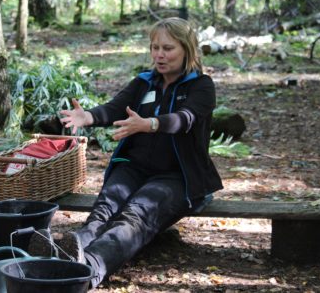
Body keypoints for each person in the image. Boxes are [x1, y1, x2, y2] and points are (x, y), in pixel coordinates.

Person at [30, 17, 223, 288]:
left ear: (187, 49)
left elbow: (185, 119)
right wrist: (87, 116)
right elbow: (115, 107)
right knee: (104, 210)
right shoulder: (144, 82)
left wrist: (151, 123)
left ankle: (89, 268)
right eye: (155, 47)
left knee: (135, 215)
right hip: (134, 167)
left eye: (168, 48)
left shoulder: (201, 86)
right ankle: (60, 255)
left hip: (178, 176)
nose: (159, 54)